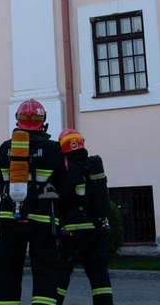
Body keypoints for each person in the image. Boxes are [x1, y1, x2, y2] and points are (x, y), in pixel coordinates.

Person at [0, 99, 67, 305]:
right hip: (42, 219)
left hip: (9, 217)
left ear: (18, 120)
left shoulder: (5, 148)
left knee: (7, 268)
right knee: (45, 269)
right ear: (43, 121)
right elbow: (63, 184)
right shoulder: (54, 149)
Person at [55, 128, 114, 305]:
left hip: (72, 235)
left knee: (60, 275)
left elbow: (62, 201)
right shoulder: (93, 167)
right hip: (97, 231)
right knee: (100, 278)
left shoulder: (67, 170)